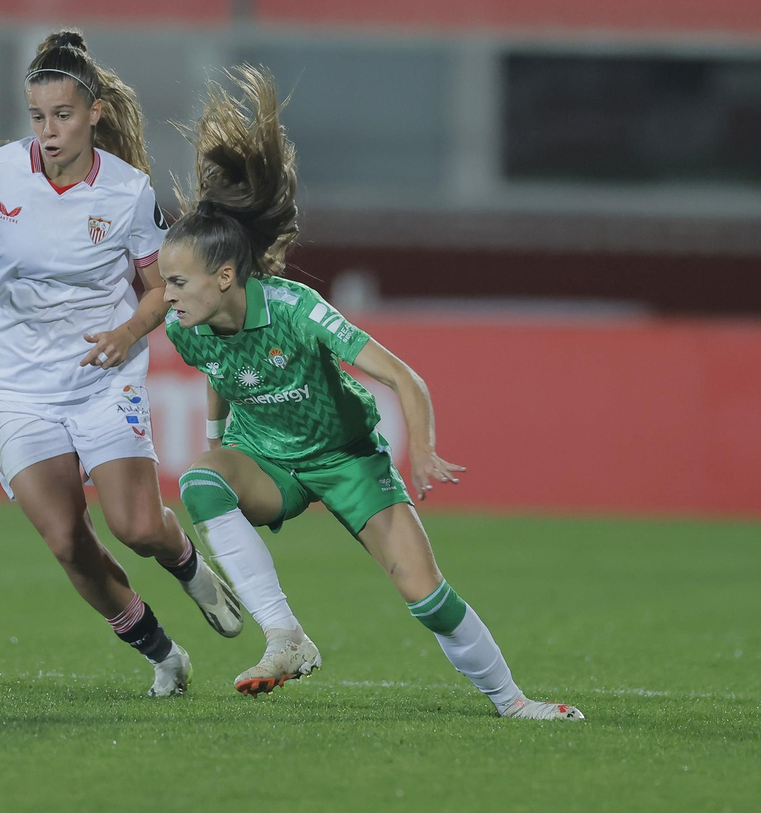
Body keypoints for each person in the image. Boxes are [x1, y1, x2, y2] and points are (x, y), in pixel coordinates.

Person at [158, 65, 584, 719]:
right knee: (200, 481)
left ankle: (513, 702)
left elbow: (401, 376)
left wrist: (422, 450)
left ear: (224, 275)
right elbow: (222, 377)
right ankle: (285, 637)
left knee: (426, 594)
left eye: (178, 282)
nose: (167, 295)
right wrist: (219, 442)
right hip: (269, 460)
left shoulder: (297, 310)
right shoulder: (187, 329)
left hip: (348, 458)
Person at [0, 30, 243, 697]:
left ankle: (189, 568)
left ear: (93, 112)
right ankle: (163, 654)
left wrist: (126, 334)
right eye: (38, 117)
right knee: (67, 540)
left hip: (101, 377)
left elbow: (161, 290)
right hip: (13, 387)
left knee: (137, 525)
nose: (49, 130)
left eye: (62, 115)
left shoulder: (126, 192)